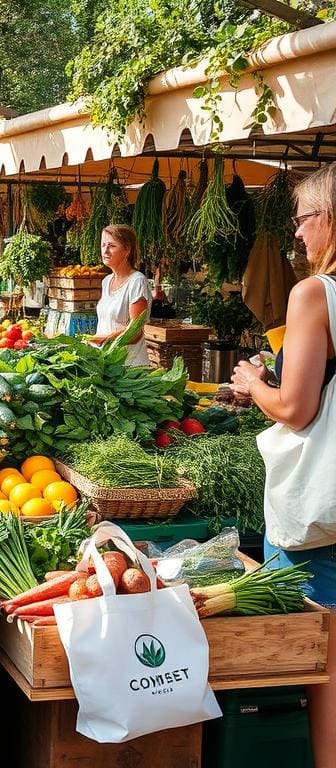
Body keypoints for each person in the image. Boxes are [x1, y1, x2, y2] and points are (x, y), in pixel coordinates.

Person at [230, 162, 336, 766]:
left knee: (323, 668)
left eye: (303, 219)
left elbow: (295, 409)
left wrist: (253, 383)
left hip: (325, 511)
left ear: (331, 220)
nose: (296, 233)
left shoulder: (314, 293)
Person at [87, 224, 153, 365]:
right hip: (107, 362)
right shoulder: (106, 281)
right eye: (103, 245)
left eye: (111, 245)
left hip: (129, 367)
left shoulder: (137, 282)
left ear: (127, 250)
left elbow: (135, 332)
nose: (105, 250)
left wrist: (102, 339)